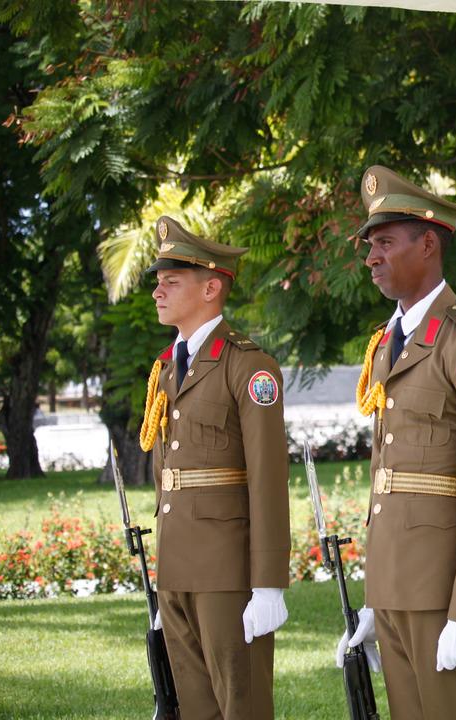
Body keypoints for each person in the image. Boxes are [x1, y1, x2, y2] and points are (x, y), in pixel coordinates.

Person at [338, 166, 456, 720]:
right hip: (397, 585)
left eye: (385, 243)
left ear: (429, 243)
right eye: (370, 245)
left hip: (443, 590)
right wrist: (375, 597)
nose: (371, 257)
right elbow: (389, 480)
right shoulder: (393, 344)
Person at [140, 215, 291, 720]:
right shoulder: (165, 367)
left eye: (171, 282)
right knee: (195, 706)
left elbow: (269, 480)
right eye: (158, 282)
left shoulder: (248, 367)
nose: (158, 291)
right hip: (177, 565)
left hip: (228, 568)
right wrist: (166, 578)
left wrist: (268, 583)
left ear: (210, 287)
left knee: (240, 703)